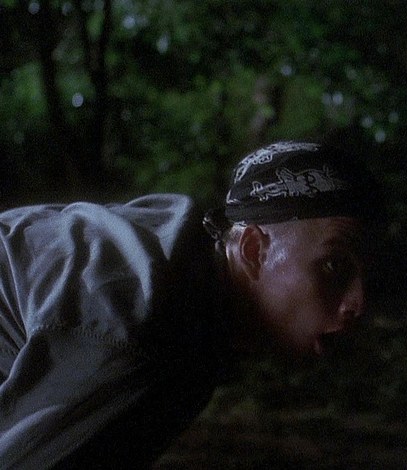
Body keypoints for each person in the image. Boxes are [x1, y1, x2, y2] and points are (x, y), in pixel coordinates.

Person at [0, 141, 376, 468]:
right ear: (252, 250)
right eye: (334, 266)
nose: (359, 303)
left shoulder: (195, 287)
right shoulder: (137, 327)